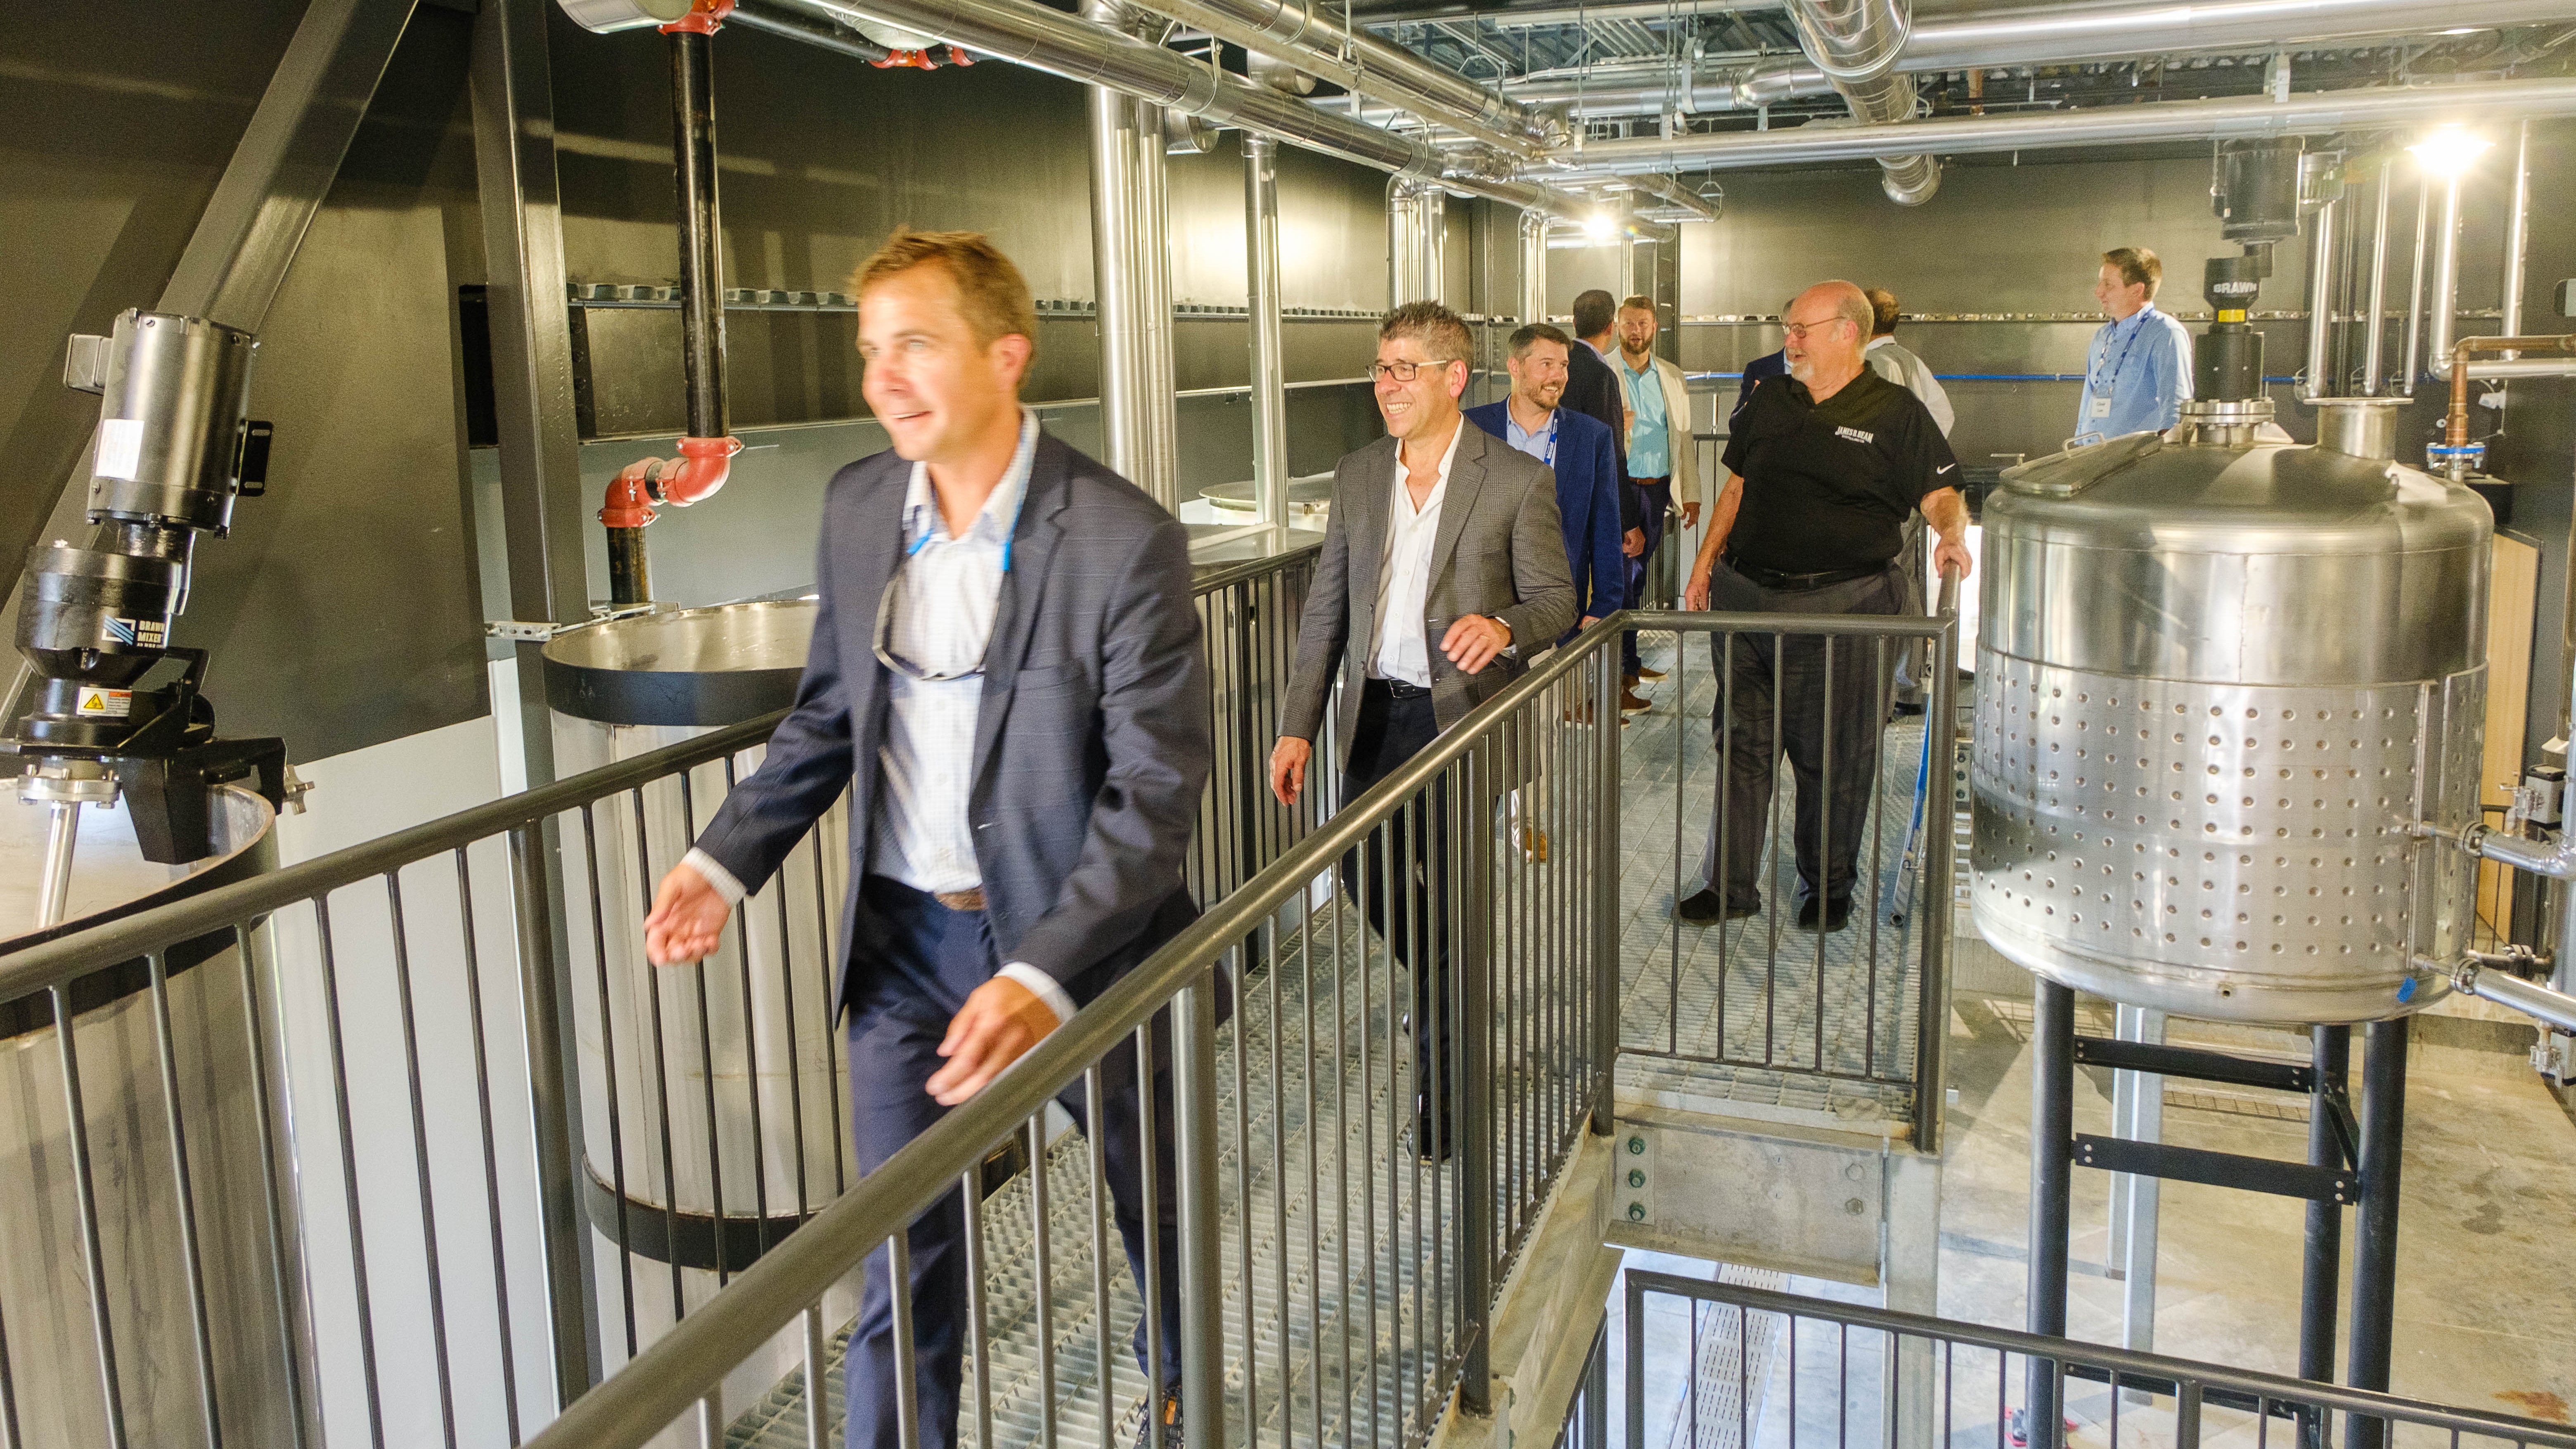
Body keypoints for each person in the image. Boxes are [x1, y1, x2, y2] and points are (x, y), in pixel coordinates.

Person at [639, 229, 1209, 1449]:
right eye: (869, 350)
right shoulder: (856, 508)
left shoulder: (1120, 539)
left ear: (1006, 356)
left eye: (915, 345)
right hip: (902, 947)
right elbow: (831, 713)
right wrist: (720, 860)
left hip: (1082, 948)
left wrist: (1038, 973)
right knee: (900, 1250)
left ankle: (1183, 1373)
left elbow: (1154, 798)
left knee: (1146, 1192)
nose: (881, 378)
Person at [1268, 299, 1577, 1156]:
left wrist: (1506, 626)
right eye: (1381, 368)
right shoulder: (1360, 474)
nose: (1387, 385)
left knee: (1448, 887)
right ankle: (1451, 990)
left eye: (1406, 369)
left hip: (1459, 726)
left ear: (1453, 377)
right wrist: (1298, 724)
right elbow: (1327, 609)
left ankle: (1444, 1110)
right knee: (1366, 879)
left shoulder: (1515, 480)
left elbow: (1559, 600)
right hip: (1373, 719)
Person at [1675, 281, 1972, 933]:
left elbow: (1940, 491)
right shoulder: (1771, 400)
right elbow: (1737, 488)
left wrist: (1951, 534)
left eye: (1802, 329)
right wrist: (1704, 566)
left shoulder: (1895, 412)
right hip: (1747, 601)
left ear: (1848, 332)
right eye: (1788, 328)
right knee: (1742, 747)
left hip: (1844, 608)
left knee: (1833, 755)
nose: (1791, 341)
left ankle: (1829, 886)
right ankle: (1729, 886)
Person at [1463, 322, 1625, 637]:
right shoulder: (1472, 429)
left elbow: (1605, 528)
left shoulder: (1592, 437)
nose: (1558, 376)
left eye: (1563, 366)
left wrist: (1604, 605)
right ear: (1515, 366)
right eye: (1546, 365)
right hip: (1481, 616)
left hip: (1557, 613)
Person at [1862, 286, 1952, 715]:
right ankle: (1910, 681)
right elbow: (1943, 416)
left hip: (1887, 496)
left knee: (1887, 583)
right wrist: (1921, 467)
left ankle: (1888, 686)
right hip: (1912, 494)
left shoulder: (1875, 365)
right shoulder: (1912, 362)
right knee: (1910, 581)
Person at [1614, 294, 1702, 688]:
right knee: (1621, 580)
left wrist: (1692, 493)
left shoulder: (1672, 375)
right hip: (1619, 489)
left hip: (1656, 492)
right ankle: (1620, 672)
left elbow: (1683, 438)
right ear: (1618, 326)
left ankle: (1629, 664)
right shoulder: (1605, 373)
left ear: (1654, 328)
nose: (1637, 331)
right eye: (1630, 323)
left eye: (1644, 324)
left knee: (1636, 580)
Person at [1567, 288, 1648, 713]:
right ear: (1612, 327)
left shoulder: (1562, 363)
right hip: (1593, 506)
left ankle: (1581, 696)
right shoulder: (1598, 374)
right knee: (1596, 600)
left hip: (1559, 500)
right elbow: (1611, 450)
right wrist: (1627, 520)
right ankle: (1586, 698)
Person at [2074, 246, 2195, 443]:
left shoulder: (2166, 333)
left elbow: (2176, 412)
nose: (2098, 292)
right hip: (2092, 459)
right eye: (2100, 283)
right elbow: (2088, 400)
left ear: (2137, 290)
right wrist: (2079, 447)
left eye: (2109, 285)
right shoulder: (2102, 336)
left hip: (2135, 464)